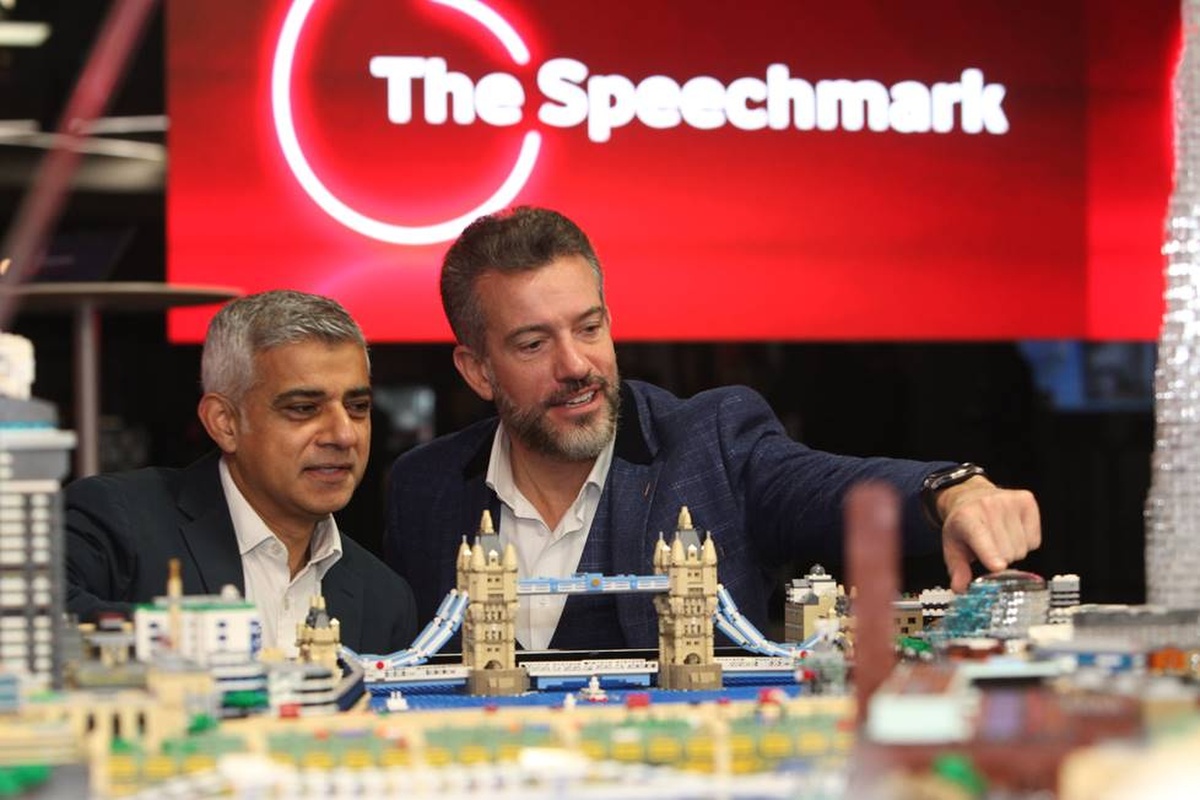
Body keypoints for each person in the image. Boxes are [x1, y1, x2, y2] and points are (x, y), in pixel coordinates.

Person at [383, 207, 1041, 651]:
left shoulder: (711, 442)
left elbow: (829, 486)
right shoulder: (424, 490)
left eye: (590, 328)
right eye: (533, 344)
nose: (576, 365)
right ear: (476, 371)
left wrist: (950, 493)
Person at [67, 290, 418, 656]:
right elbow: (33, 623)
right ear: (225, 423)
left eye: (358, 406)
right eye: (303, 408)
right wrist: (205, 639)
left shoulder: (386, 599)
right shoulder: (116, 519)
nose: (344, 434)